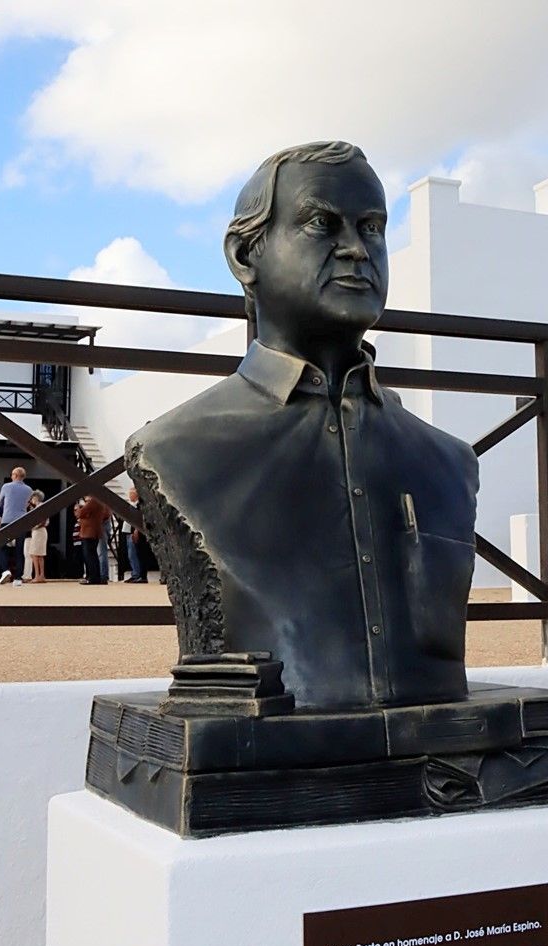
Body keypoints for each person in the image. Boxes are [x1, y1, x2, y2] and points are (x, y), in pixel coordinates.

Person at [125, 142, 478, 711]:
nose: (357, 250)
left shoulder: (450, 461)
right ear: (245, 255)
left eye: (373, 227)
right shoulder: (173, 450)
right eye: (322, 224)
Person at [0, 466, 32, 584]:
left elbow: (0, 503)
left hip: (7, 519)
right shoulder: (29, 489)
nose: (11, 476)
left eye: (12, 474)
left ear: (15, 475)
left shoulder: (6, 486)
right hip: (22, 520)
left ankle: (5, 570)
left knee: (1, 546)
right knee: (19, 549)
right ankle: (18, 578)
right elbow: (27, 504)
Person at [76, 494, 110, 585]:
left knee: (90, 556)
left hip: (89, 532)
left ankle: (93, 577)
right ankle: (93, 576)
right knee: (92, 555)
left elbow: (80, 513)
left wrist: (79, 508)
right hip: (94, 531)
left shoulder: (94, 501)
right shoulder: (99, 502)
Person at [124, 486, 147, 582]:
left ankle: (141, 575)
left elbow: (139, 520)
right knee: (133, 554)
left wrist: (136, 530)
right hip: (130, 530)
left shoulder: (140, 506)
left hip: (136, 532)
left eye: (131, 494)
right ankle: (136, 574)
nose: (129, 496)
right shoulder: (134, 505)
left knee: (139, 553)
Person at [24, 491, 48, 584]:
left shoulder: (40, 506)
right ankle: (41, 575)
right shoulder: (40, 506)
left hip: (38, 531)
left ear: (36, 497)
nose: (31, 500)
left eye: (32, 498)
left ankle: (37, 576)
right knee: (40, 555)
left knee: (34, 554)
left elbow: (43, 520)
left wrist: (34, 527)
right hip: (40, 531)